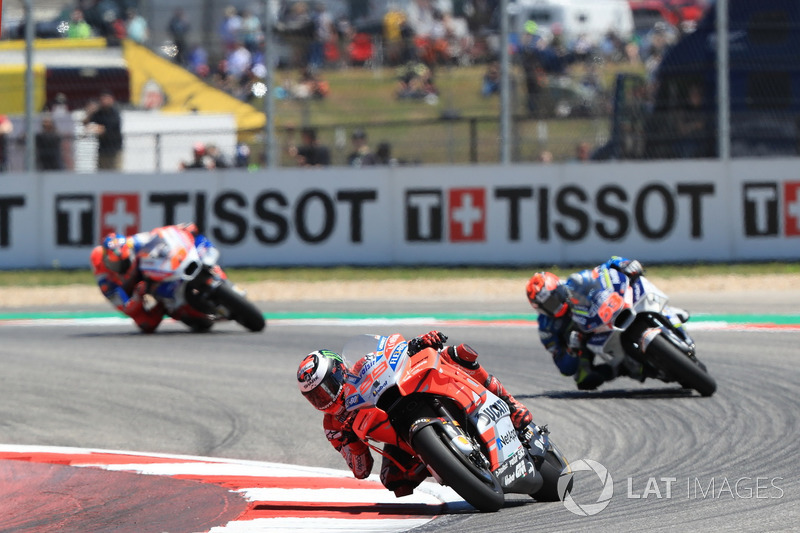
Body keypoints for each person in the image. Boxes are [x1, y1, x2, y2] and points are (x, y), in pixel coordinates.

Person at [297, 330, 533, 497]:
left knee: (456, 354)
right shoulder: (333, 426)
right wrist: (352, 440)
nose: (325, 398)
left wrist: (420, 342)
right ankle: (446, 465)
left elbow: (392, 352)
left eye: (327, 388)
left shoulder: (359, 367)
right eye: (316, 397)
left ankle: (511, 405)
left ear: (339, 371)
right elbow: (361, 470)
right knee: (393, 481)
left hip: (404, 393)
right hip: (394, 430)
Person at [525, 256, 648, 390]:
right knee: (583, 378)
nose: (554, 306)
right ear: (540, 309)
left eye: (553, 300)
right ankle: (621, 368)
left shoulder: (575, 284)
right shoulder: (546, 328)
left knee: (635, 285)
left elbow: (605, 267)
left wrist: (625, 264)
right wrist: (572, 349)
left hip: (607, 313)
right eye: (548, 305)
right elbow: (564, 367)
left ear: (559, 289)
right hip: (588, 340)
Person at [89, 223, 219, 333]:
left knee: (193, 247)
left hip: (148, 272)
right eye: (114, 264)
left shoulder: (133, 243)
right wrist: (137, 295)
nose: (120, 267)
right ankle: (170, 307)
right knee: (147, 324)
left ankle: (213, 274)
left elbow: (159, 235)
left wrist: (180, 228)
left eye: (124, 261)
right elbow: (126, 308)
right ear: (105, 261)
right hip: (135, 290)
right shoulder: (105, 280)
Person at [83, 90, 123, 171]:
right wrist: (89, 112)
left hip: (114, 150)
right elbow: (85, 123)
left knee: (115, 174)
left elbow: (105, 129)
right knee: (102, 174)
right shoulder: (99, 113)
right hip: (102, 149)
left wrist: (94, 128)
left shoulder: (114, 113)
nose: (104, 101)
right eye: (102, 99)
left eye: (106, 99)